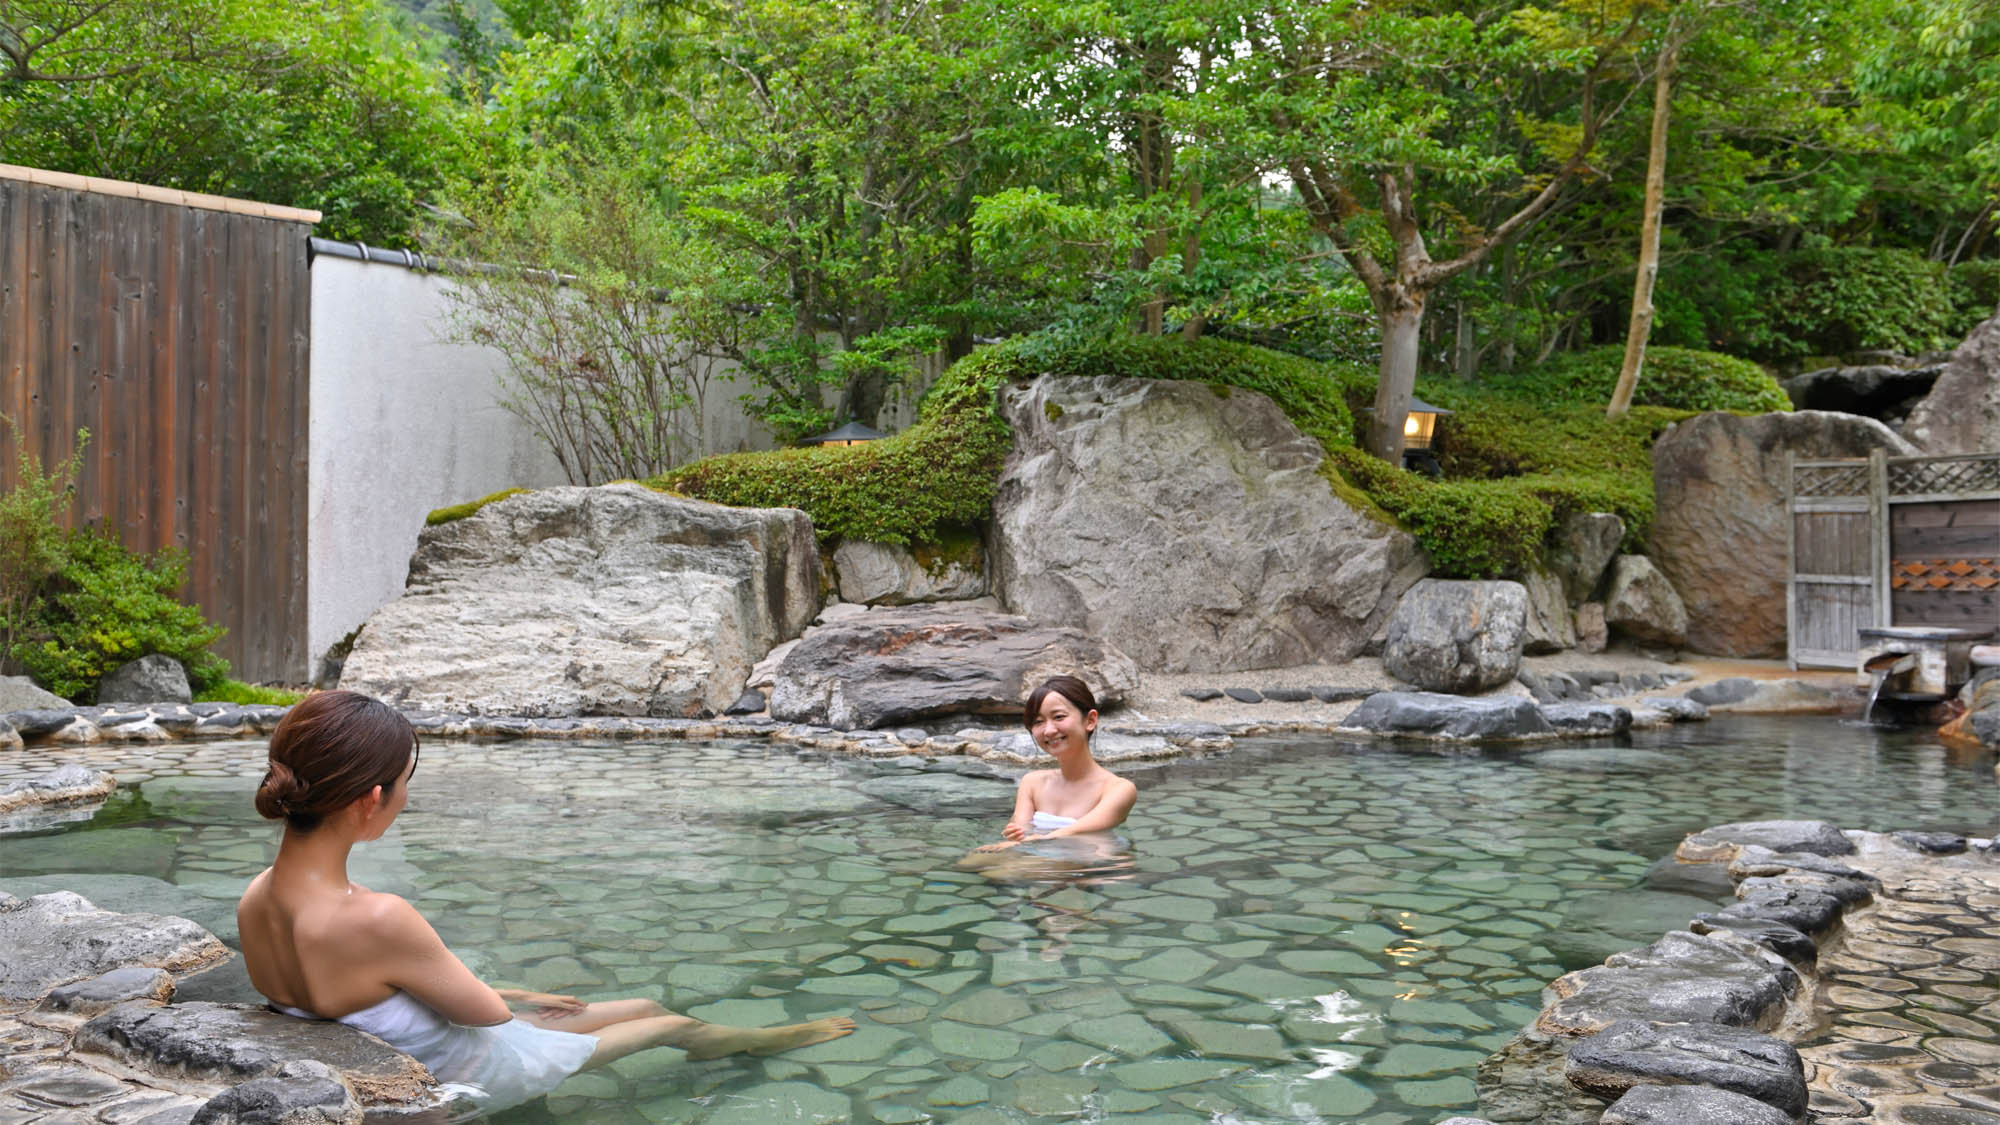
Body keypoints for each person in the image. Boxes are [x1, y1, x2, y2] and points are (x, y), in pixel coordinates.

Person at [236, 691, 853, 1112]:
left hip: (428, 1040)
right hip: (474, 1069)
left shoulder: (257, 898)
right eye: (404, 788)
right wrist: (507, 1002)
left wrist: (520, 994)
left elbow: (362, 990)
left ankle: (728, 1035)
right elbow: (485, 1018)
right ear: (371, 799)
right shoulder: (376, 916)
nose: (403, 801)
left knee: (634, 1002)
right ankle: (761, 1040)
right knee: (667, 1023)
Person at [972, 675, 1137, 854]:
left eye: (1059, 717)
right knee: (971, 864)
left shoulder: (1118, 789)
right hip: (1039, 858)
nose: (1049, 730)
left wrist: (1035, 840)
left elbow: (1078, 831)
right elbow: (1019, 831)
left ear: (1090, 720)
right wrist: (1013, 834)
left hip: (1090, 864)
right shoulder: (1032, 782)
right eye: (1038, 722)